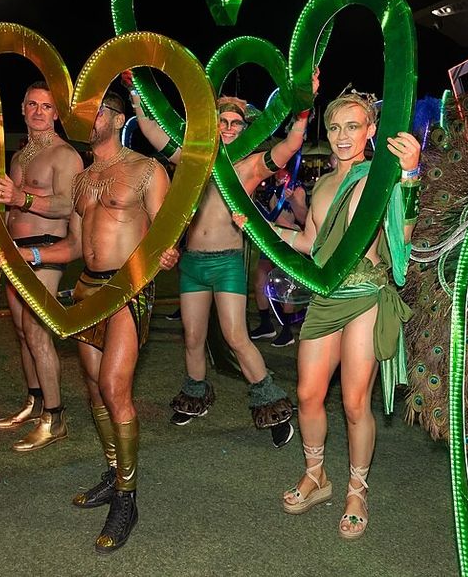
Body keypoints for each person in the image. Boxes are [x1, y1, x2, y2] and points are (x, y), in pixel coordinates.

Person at [6, 90, 174, 553]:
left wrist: (168, 254)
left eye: (97, 111)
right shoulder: (82, 180)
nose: (88, 118)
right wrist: (28, 256)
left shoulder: (147, 169)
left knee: (115, 388)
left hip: (127, 290)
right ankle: (114, 471)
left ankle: (127, 498)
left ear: (118, 119)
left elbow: (165, 233)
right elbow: (75, 247)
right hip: (86, 288)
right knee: (95, 388)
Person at [262, 91, 420, 540]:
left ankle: (357, 490)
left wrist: (411, 174)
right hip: (326, 297)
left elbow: (404, 232)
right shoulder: (324, 184)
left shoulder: (382, 177)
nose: (342, 136)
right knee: (308, 394)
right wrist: (260, 226)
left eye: (353, 126)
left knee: (354, 402)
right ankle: (316, 476)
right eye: (334, 127)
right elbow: (311, 244)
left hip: (366, 295)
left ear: (371, 131)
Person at [132, 71, 319, 447]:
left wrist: (303, 107)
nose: (230, 127)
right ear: (213, 124)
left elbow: (290, 145)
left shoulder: (249, 166)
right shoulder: (195, 159)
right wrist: (137, 97)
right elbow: (154, 132)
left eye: (236, 122)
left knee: (236, 336)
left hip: (228, 262)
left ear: (245, 128)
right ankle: (195, 395)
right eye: (224, 121)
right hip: (193, 264)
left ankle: (272, 404)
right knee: (192, 337)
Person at [0, 81, 83, 451]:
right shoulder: (20, 156)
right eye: (32, 104)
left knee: (37, 331)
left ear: (56, 113)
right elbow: (10, 208)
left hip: (45, 251)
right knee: (21, 331)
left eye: (46, 106)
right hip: (14, 251)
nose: (39, 112)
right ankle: (35, 401)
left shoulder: (65, 155)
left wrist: (22, 198)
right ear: (22, 109)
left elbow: (66, 205)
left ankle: (55, 417)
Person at [250, 167, 308, 347]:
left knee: (285, 286)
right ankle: (266, 324)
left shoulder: (297, 189)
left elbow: (304, 218)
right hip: (270, 241)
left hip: (288, 241)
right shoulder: (270, 188)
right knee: (259, 282)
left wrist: (293, 200)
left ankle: (287, 331)